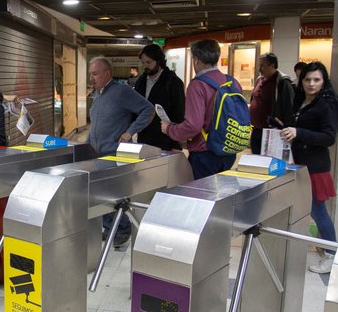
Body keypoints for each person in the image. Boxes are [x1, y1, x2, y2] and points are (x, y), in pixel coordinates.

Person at [280, 61, 338, 274]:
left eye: (316, 79)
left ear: (324, 81)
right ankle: (326, 251)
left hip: (315, 167)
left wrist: (298, 133)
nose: (311, 84)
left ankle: (331, 255)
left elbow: (328, 137)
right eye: (307, 79)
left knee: (318, 212)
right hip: (298, 164)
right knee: (312, 210)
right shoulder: (302, 100)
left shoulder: (326, 104)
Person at [88, 57, 153, 248]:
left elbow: (147, 109)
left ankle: (122, 230)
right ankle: (110, 228)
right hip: (98, 154)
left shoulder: (122, 92)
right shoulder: (98, 94)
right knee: (102, 195)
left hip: (114, 154)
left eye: (95, 74)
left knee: (114, 195)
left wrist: (129, 132)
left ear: (107, 73)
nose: (91, 78)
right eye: (91, 74)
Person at [162, 39, 243, 179]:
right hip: (229, 151)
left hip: (205, 153)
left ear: (197, 60)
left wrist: (170, 129)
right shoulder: (232, 82)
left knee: (201, 197)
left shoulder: (198, 85)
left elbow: (193, 125)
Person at [133, 43, 185, 150]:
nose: (145, 66)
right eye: (143, 63)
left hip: (166, 140)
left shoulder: (173, 82)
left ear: (159, 61)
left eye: (149, 62)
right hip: (144, 137)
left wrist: (176, 136)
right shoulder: (141, 81)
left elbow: (179, 112)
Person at [249, 53, 295, 154]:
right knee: (255, 159)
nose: (260, 69)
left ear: (272, 66)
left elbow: (289, 107)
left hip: (272, 131)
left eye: (262, 66)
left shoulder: (282, 83)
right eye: (259, 65)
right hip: (256, 128)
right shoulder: (259, 80)